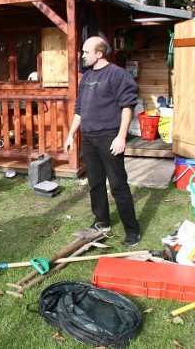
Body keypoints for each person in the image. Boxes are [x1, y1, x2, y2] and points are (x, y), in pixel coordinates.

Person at [64, 37, 141, 247]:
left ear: (99, 54)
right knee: (95, 184)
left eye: (85, 52)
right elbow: (79, 109)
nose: (82, 55)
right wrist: (71, 134)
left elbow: (127, 106)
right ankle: (102, 222)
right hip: (89, 139)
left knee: (118, 186)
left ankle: (132, 230)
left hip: (110, 137)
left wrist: (121, 136)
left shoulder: (117, 75)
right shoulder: (86, 77)